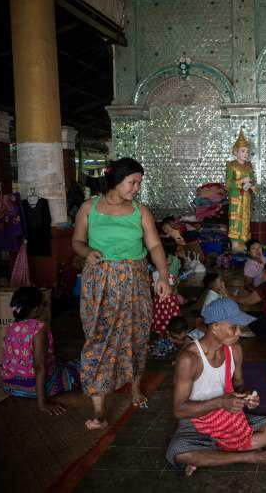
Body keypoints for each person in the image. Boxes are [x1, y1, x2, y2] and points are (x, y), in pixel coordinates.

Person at [72, 157, 171, 430]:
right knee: (98, 339)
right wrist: (85, 252)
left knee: (136, 335)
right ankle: (99, 409)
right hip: (99, 283)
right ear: (116, 180)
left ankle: (135, 387)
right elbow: (77, 241)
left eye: (139, 183)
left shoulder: (141, 211)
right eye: (133, 182)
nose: (136, 188)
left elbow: (154, 246)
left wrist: (163, 275)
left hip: (135, 283)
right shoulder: (89, 208)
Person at [166, 299, 266, 473]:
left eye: (239, 328)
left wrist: (248, 396)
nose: (239, 332)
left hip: (228, 416)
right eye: (233, 327)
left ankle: (211, 455)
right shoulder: (189, 359)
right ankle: (248, 456)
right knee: (179, 453)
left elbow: (239, 385)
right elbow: (179, 410)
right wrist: (219, 402)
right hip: (195, 421)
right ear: (215, 326)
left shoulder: (234, 350)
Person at [1, 287, 78, 414]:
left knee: (60, 364)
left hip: (10, 386)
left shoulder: (11, 327)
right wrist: (42, 403)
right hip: (32, 389)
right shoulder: (38, 329)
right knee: (79, 367)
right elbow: (39, 367)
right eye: (44, 304)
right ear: (36, 309)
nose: (45, 307)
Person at [226, 129, 256, 252]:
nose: (245, 154)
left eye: (247, 151)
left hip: (246, 198)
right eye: (243, 151)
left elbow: (253, 180)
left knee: (246, 220)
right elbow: (228, 184)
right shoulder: (231, 165)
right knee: (236, 221)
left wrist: (252, 185)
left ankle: (245, 243)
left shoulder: (249, 165)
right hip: (236, 199)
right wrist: (241, 182)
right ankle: (236, 245)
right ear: (236, 152)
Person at [151, 238, 182, 335]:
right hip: (169, 302)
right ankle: (170, 332)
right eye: (167, 259)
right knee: (170, 317)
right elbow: (172, 290)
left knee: (159, 316)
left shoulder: (155, 273)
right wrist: (175, 284)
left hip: (158, 302)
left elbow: (154, 289)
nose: (169, 261)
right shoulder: (169, 276)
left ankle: (160, 331)